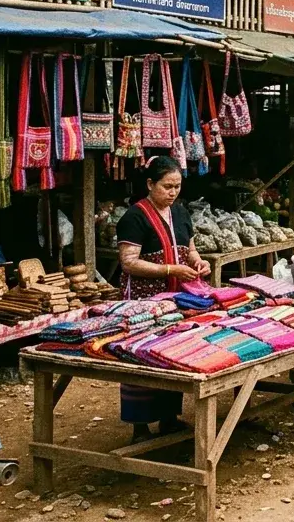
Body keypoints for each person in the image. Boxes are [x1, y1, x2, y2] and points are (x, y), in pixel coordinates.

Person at [115, 156, 211, 442]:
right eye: (167, 186)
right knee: (140, 356)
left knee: (171, 355)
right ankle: (140, 427)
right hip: (143, 302)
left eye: (177, 186)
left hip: (176, 299)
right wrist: (170, 269)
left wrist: (199, 263)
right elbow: (128, 262)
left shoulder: (180, 213)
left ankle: (169, 418)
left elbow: (190, 251)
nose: (173, 192)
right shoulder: (134, 217)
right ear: (150, 184)